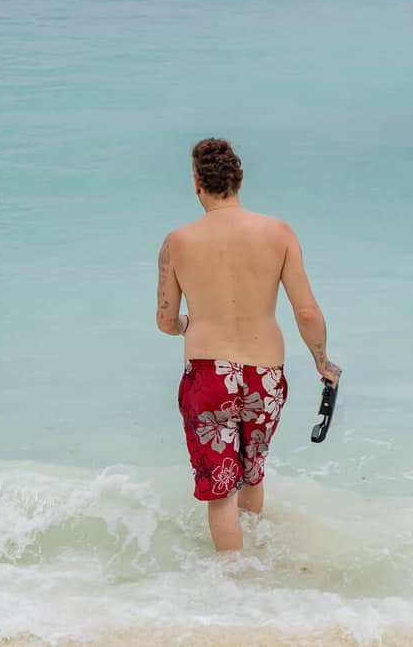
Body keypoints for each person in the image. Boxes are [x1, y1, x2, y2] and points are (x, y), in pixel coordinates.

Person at [156, 137, 341, 552]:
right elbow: (307, 312)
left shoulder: (177, 243)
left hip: (208, 379)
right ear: (239, 181)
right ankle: (257, 565)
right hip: (266, 377)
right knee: (252, 472)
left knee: (220, 490)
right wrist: (322, 363)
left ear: (196, 182)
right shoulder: (279, 233)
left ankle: (233, 587)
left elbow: (166, 322)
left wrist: (190, 322)